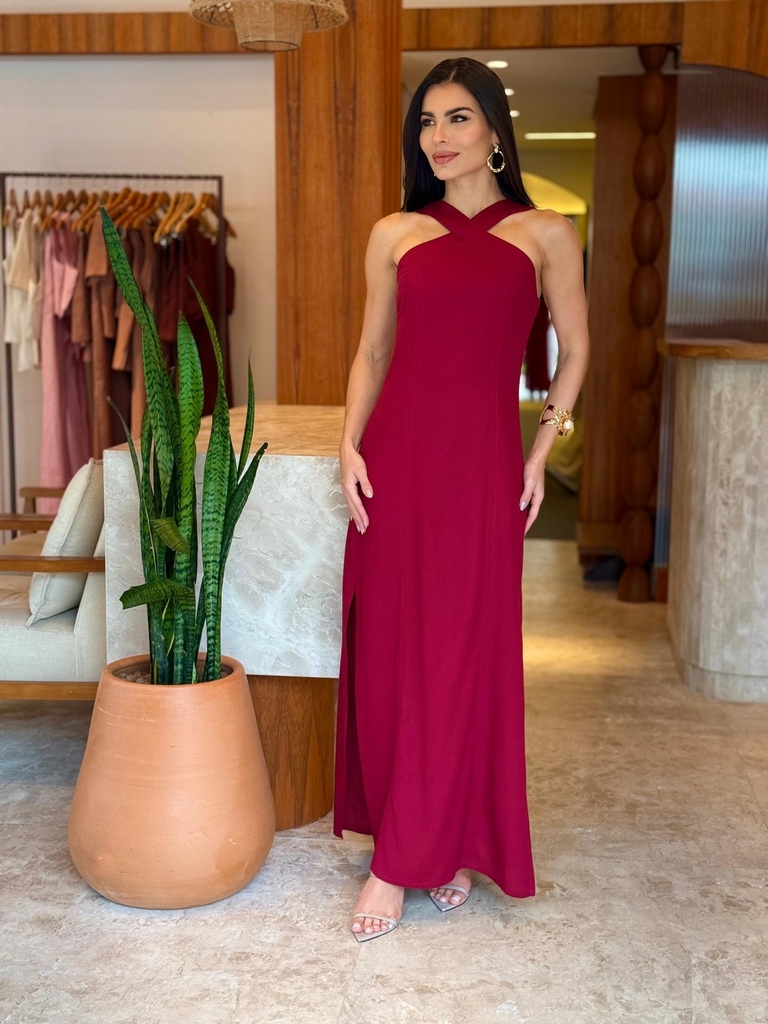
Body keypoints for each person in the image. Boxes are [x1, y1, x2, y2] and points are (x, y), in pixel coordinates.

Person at [334, 57, 589, 941]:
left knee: (464, 654)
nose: (438, 138)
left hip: (484, 472)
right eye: (427, 122)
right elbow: (373, 351)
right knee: (394, 652)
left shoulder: (546, 232)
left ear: (494, 131)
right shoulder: (396, 231)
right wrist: (348, 444)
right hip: (396, 464)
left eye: (457, 118)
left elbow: (576, 351)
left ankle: (444, 843)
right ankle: (401, 851)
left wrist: (542, 447)